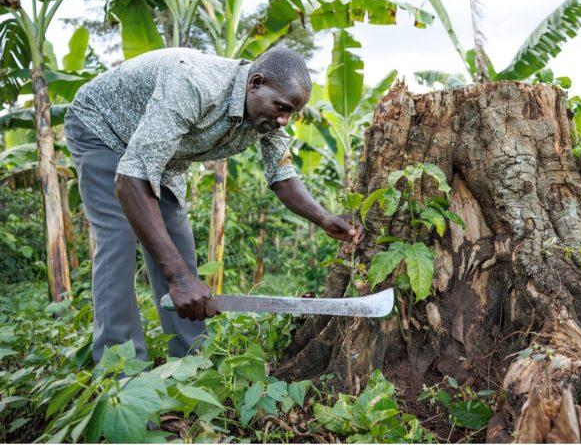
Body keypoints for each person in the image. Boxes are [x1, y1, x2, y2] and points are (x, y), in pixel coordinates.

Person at [64, 47, 360, 363]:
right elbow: (129, 181)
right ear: (255, 83)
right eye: (282, 108)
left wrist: (324, 218)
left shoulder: (263, 113)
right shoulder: (193, 83)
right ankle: (119, 374)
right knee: (119, 241)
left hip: (162, 158)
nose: (284, 120)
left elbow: (282, 176)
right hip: (103, 131)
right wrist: (177, 278)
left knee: (178, 247)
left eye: (291, 113)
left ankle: (190, 364)